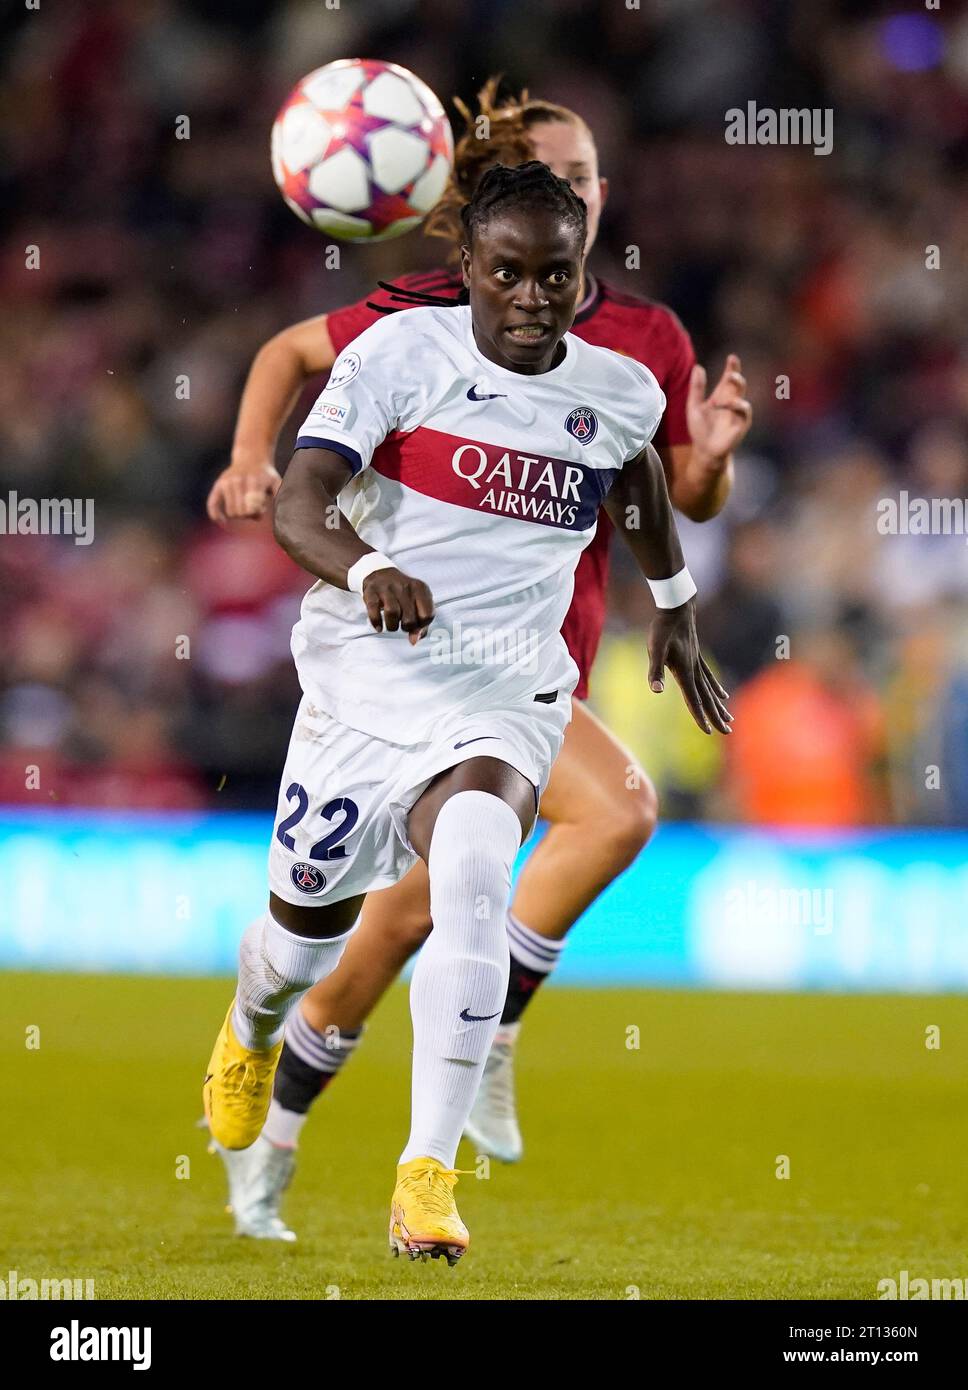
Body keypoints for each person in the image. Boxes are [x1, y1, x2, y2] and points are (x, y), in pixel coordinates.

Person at [207, 82, 751, 1241]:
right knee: (317, 934)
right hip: (370, 670)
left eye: (554, 269)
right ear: (470, 257)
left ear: (586, 235)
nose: (532, 292)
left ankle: (426, 1173)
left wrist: (676, 602)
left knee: (481, 874)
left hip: (514, 679)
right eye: (508, 269)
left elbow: (649, 483)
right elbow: (297, 460)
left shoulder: (626, 365)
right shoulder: (405, 339)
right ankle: (259, 1040)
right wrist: (332, 539)